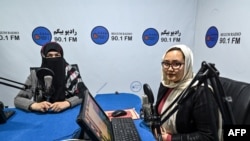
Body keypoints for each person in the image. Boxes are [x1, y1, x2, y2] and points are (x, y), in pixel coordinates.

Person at [154, 44, 223, 141]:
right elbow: (159, 113)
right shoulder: (166, 84)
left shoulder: (200, 92)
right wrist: (155, 127)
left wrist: (169, 138)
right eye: (166, 63)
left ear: (187, 64)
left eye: (176, 64)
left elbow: (208, 137)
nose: (170, 69)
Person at [14, 42, 88, 112]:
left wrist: (67, 103)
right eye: (49, 56)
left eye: (57, 55)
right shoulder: (35, 75)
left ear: (61, 56)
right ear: (44, 57)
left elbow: (84, 93)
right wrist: (34, 105)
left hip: (66, 112)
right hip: (43, 115)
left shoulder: (70, 72)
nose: (54, 58)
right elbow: (18, 99)